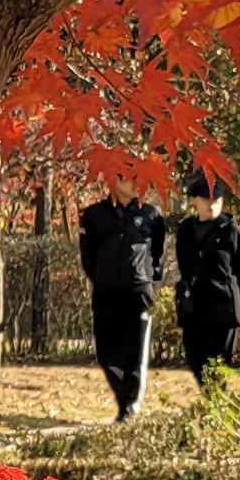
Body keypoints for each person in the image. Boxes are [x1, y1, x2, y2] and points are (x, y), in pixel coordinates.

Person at [78, 178, 167, 421]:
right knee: (106, 354)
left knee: (134, 352)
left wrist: (151, 277)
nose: (138, 184)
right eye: (131, 178)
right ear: (115, 180)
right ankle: (123, 395)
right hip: (106, 291)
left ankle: (128, 405)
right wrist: (100, 276)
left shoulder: (151, 214)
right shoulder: (94, 215)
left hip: (138, 291)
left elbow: (159, 250)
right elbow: (87, 253)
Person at [172, 181, 240, 383]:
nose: (212, 205)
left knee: (219, 365)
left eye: (216, 200)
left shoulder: (231, 230)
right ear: (194, 201)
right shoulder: (186, 230)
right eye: (206, 200)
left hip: (222, 309)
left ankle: (215, 399)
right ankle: (207, 396)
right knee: (196, 362)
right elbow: (184, 266)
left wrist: (236, 302)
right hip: (193, 308)